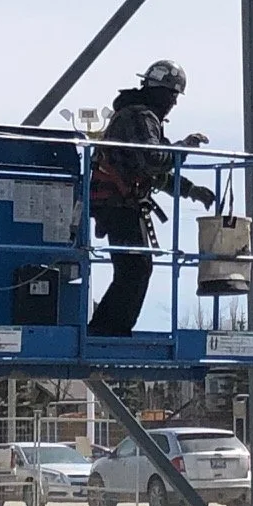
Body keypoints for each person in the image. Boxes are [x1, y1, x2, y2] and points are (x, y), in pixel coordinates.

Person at [86, 60, 214, 337]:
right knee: (136, 267)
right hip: (118, 204)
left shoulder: (138, 117)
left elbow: (151, 172)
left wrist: (190, 189)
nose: (174, 104)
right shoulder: (140, 117)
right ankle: (108, 330)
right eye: (173, 96)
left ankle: (108, 327)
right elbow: (153, 160)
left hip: (120, 202)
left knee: (135, 266)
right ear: (160, 92)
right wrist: (184, 147)